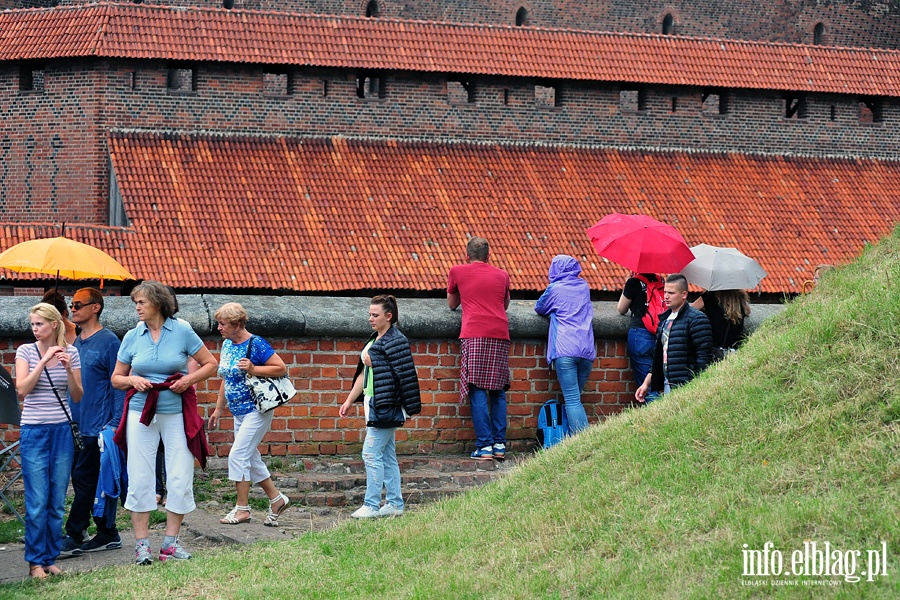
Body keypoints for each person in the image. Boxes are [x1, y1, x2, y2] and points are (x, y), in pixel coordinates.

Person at [111, 281, 217, 565]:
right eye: (136, 302)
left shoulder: (182, 330)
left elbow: (210, 364)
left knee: (180, 476)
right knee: (140, 476)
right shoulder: (133, 335)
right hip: (140, 413)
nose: (137, 307)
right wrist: (132, 379)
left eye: (141, 302)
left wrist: (187, 380)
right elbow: (116, 378)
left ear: (158, 303)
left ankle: (170, 545)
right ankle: (142, 545)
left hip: (176, 413)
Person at [208, 302, 292, 527]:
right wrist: (219, 408)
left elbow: (280, 368)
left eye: (223, 324)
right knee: (251, 459)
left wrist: (254, 369)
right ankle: (277, 499)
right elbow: (225, 378)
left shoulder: (256, 344)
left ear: (236, 325)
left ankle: (242, 509)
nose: (219, 328)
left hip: (257, 410)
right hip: (238, 411)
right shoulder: (227, 344)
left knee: (237, 456)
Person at [15, 303, 83, 578]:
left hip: (61, 431)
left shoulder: (73, 353)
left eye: (39, 324)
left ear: (54, 325)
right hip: (34, 430)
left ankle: (50, 557)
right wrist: (43, 361)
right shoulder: (26, 351)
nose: (34, 329)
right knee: (37, 500)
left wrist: (67, 369)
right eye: (32, 324)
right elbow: (22, 389)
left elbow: (77, 395)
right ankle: (35, 562)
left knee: (56, 500)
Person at [339, 295, 421, 519]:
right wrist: (348, 400)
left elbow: (405, 374)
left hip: (387, 404)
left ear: (388, 316)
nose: (370, 319)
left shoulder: (397, 340)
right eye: (369, 314)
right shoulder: (375, 339)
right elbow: (364, 373)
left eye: (375, 315)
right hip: (372, 402)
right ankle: (395, 504)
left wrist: (377, 362)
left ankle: (372, 504)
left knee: (371, 454)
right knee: (386, 456)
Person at [59, 288, 126, 558]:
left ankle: (75, 534)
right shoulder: (77, 343)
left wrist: (114, 423)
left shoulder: (109, 341)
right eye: (70, 305)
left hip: (98, 426)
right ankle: (107, 531)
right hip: (76, 424)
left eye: (77, 305)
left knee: (86, 481)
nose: (73, 309)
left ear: (95, 307)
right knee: (87, 480)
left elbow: (118, 385)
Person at [447, 236, 511, 460]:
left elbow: (452, 304)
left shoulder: (457, 271)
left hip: (474, 333)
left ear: (467, 255)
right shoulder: (502, 275)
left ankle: (484, 445)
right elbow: (504, 304)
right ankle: (500, 445)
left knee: (476, 387)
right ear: (488, 256)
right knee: (498, 389)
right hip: (499, 333)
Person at [534, 255, 595, 435]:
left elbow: (539, 307)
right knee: (576, 398)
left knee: (572, 400)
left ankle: (583, 442)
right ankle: (574, 437)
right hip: (586, 351)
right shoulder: (584, 287)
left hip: (566, 350)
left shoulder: (555, 289)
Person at [636, 274, 713, 402]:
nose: (666, 296)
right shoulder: (664, 320)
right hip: (667, 385)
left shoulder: (697, 319)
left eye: (671, 293)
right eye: (665, 292)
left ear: (684, 294)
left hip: (688, 386)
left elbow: (704, 359)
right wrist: (646, 384)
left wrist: (698, 387)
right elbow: (658, 357)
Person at [617, 272, 663, 402]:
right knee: (659, 382)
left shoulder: (633, 282)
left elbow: (621, 309)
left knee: (647, 387)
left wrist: (627, 284)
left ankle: (659, 418)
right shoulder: (660, 280)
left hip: (641, 334)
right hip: (659, 333)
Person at [691, 289, 751, 357]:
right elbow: (748, 311)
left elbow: (691, 310)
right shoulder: (740, 297)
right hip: (735, 349)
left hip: (714, 349)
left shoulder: (709, 296)